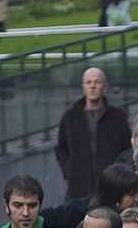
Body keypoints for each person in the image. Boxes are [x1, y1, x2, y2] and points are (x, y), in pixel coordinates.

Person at [55, 67, 133, 199]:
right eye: (88, 82)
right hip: (78, 187)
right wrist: (69, 171)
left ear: (105, 87)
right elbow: (61, 148)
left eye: (97, 82)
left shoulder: (117, 116)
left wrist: (120, 173)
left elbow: (127, 148)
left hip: (111, 186)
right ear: (83, 87)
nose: (92, 86)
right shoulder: (70, 117)